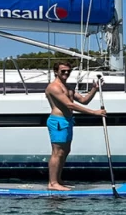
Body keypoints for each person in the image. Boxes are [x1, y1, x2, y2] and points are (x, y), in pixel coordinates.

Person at [44, 61, 106, 191]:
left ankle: (58, 180)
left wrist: (94, 88)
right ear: (56, 72)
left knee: (65, 151)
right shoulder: (54, 87)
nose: (66, 73)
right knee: (57, 152)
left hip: (68, 120)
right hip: (58, 122)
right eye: (63, 71)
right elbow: (69, 105)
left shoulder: (68, 87)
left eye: (68, 71)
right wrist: (95, 113)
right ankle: (52, 183)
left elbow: (84, 100)